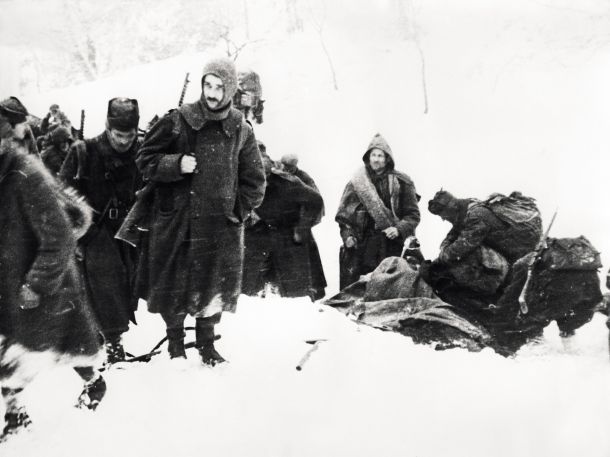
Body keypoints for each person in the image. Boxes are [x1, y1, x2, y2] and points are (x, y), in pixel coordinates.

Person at [135, 57, 266, 364]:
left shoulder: (241, 129)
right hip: (179, 221)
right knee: (175, 284)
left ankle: (207, 345)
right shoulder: (178, 119)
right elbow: (144, 159)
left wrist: (237, 211)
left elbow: (255, 181)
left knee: (214, 285)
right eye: (208, 85)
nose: (212, 93)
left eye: (220, 87)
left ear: (231, 89)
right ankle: (176, 346)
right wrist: (175, 164)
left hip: (220, 225)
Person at [0, 99, 106, 441]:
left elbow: (60, 238)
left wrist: (37, 284)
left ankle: (95, 383)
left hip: (44, 282)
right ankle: (16, 416)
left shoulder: (26, 175)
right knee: (7, 351)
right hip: (9, 281)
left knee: (67, 346)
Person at [59, 98, 141, 363]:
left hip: (129, 228)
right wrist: (82, 231)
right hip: (94, 229)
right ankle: (112, 343)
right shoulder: (85, 151)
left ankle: (104, 336)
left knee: (125, 286)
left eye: (130, 135)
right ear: (107, 128)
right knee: (106, 283)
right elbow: (63, 194)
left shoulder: (141, 152)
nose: (124, 141)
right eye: (118, 135)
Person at [335, 133, 421, 289]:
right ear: (368, 157)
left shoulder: (403, 181)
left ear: (388, 158)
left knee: (391, 287)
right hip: (364, 245)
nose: (376, 159)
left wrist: (398, 229)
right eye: (373, 155)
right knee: (362, 289)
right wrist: (348, 236)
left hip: (393, 245)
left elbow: (413, 215)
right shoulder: (357, 183)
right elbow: (344, 218)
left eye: (380, 155)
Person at [242, 149, 325, 300]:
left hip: (286, 237)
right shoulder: (245, 182)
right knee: (247, 291)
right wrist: (248, 216)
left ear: (269, 174)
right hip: (257, 235)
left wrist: (302, 227)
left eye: (264, 180)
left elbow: (316, 201)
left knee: (294, 291)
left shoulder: (288, 183)